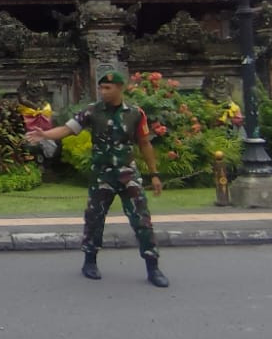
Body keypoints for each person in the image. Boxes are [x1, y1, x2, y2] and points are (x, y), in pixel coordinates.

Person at [29, 70, 168, 288]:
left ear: (120, 88)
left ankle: (153, 267)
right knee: (94, 218)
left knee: (142, 219)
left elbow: (144, 144)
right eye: (101, 88)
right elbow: (68, 129)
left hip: (127, 174)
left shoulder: (135, 113)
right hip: (102, 174)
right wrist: (45, 135)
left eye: (108, 88)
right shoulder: (92, 112)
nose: (103, 92)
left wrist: (155, 174)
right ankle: (90, 261)